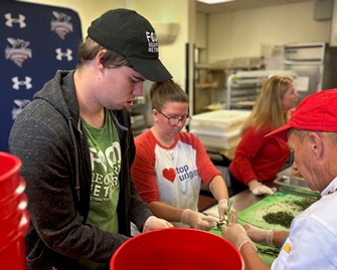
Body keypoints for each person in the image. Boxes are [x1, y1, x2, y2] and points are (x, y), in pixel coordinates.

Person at [9, 9, 174, 270]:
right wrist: (132, 246)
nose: (140, 92)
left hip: (110, 258)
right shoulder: (40, 129)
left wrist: (145, 218)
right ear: (102, 60)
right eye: (134, 79)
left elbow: (122, 180)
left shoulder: (118, 112)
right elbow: (59, 231)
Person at [222, 89, 337, 269]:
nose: (294, 165)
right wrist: (266, 235)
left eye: (294, 151)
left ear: (315, 145)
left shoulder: (321, 221)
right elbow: (320, 247)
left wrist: (241, 243)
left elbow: (321, 234)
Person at [131, 80, 236, 231]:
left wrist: (223, 201)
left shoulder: (191, 142)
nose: (179, 124)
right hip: (157, 231)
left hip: (189, 228)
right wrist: (186, 216)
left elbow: (212, 176)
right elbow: (149, 205)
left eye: (183, 117)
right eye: (172, 117)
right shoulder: (142, 148)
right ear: (155, 114)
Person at [229, 76, 299, 196]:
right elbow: (241, 158)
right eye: (292, 93)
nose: (296, 95)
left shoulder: (287, 117)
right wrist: (253, 184)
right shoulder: (261, 127)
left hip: (267, 177)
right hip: (245, 181)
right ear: (278, 99)